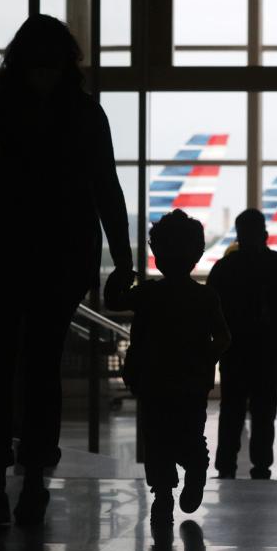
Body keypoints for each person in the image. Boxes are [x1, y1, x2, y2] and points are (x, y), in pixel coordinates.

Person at [0, 15, 133, 526]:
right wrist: (121, 259)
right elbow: (107, 188)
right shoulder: (84, 115)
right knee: (41, 368)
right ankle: (34, 480)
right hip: (63, 255)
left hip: (0, 252)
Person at [106, 210, 230, 525]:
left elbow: (114, 302)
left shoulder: (148, 293)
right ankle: (196, 469)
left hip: (152, 379)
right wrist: (205, 359)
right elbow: (224, 337)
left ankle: (163, 495)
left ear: (157, 256)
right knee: (190, 433)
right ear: (197, 255)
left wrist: (120, 276)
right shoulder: (205, 296)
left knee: (156, 438)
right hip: (191, 381)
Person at [206, 209, 277, 480]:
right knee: (265, 408)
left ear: (238, 237)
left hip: (234, 347)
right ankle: (261, 463)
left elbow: (209, 310)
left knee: (232, 407)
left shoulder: (225, 268)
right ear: (265, 235)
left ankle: (226, 464)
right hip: (269, 346)